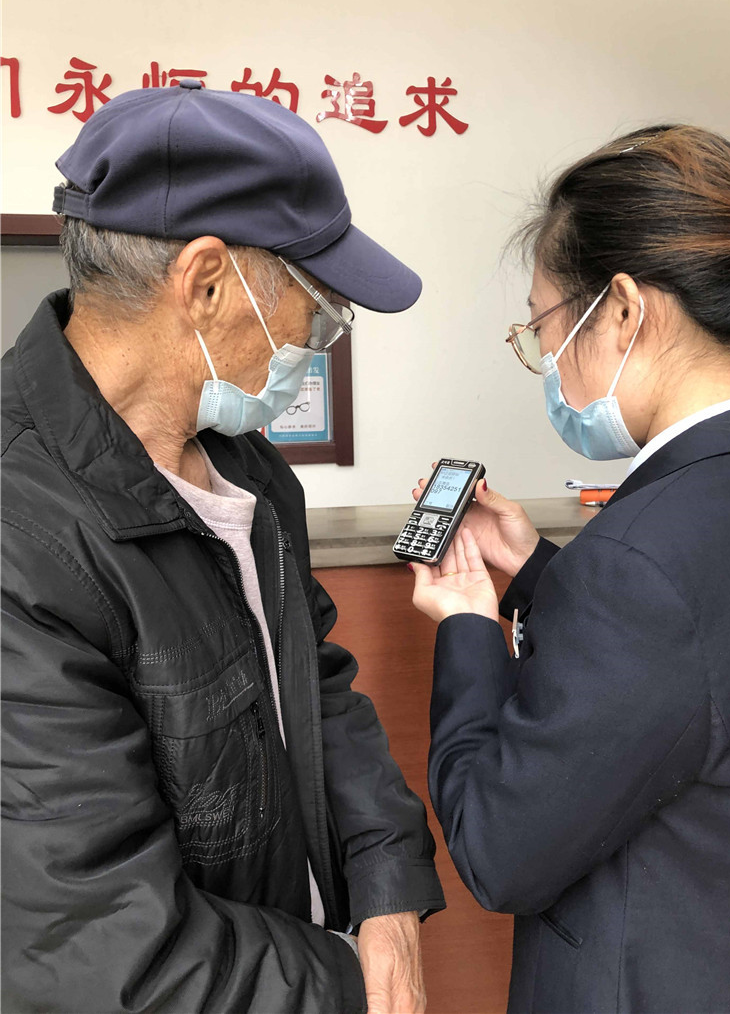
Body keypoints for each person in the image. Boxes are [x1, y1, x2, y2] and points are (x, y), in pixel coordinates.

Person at [1, 81, 445, 1014]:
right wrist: (355, 985)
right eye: (317, 306)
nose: (318, 340)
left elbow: (318, 687)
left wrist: (388, 892)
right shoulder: (22, 537)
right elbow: (101, 944)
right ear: (206, 283)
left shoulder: (245, 467)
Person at [410, 126, 730, 1013]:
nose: (548, 360)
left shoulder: (638, 558)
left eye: (544, 324)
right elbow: (718, 655)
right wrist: (538, 571)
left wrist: (468, 626)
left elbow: (499, 851)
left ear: (623, 308)